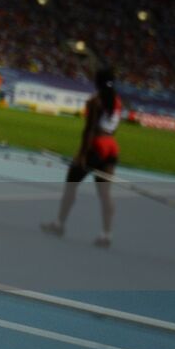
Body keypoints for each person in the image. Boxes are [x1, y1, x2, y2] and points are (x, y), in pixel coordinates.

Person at [42, 68, 121, 247]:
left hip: (97, 146)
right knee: (105, 193)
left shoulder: (95, 101)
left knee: (71, 185)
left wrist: (82, 155)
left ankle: (59, 224)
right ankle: (106, 234)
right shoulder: (116, 101)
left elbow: (89, 130)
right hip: (111, 146)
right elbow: (114, 128)